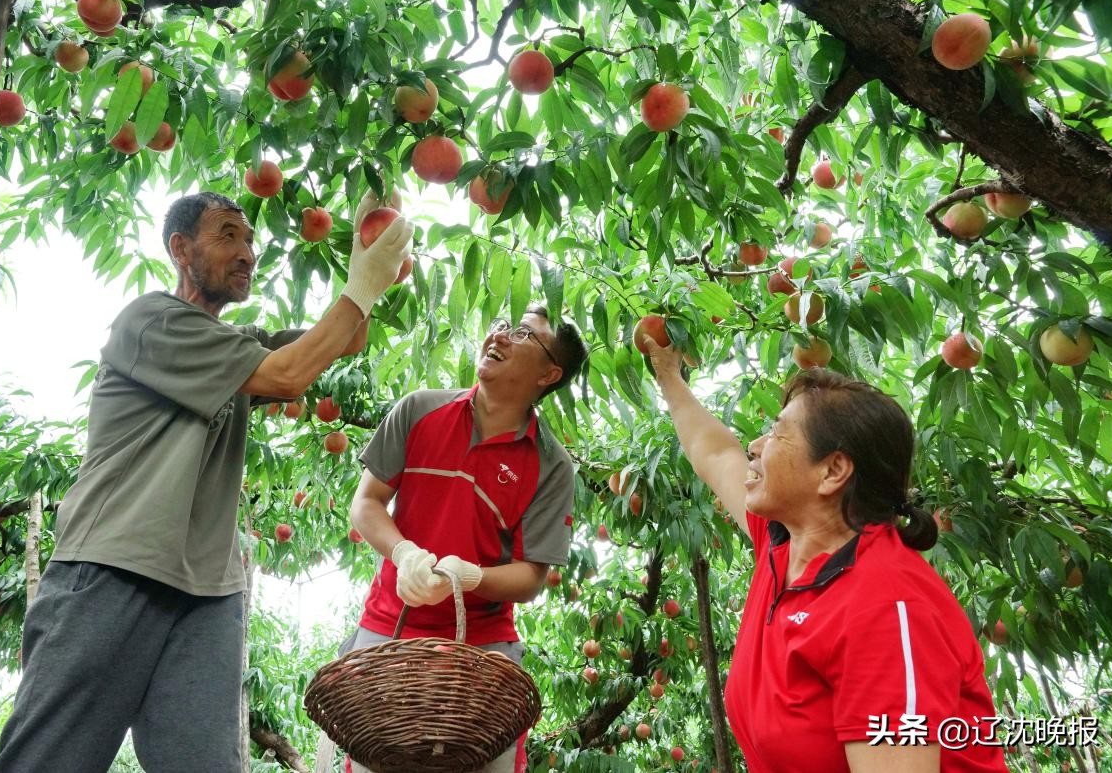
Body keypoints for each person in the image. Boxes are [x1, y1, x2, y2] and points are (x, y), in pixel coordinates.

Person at [0, 191, 413, 773]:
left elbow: (347, 339)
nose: (247, 253)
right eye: (227, 236)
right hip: (113, 567)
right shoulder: (150, 320)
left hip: (209, 592)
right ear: (180, 249)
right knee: (49, 760)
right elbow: (289, 377)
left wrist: (362, 255)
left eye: (250, 241)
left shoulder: (239, 345)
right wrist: (360, 287)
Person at [645, 337, 1008, 773]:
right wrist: (668, 375)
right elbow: (715, 450)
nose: (755, 445)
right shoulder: (783, 544)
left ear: (833, 471)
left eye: (778, 432)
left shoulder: (886, 608)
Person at [341, 307, 588, 773]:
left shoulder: (551, 465)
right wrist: (403, 551)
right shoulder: (418, 410)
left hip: (482, 651)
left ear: (549, 373)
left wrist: (470, 577)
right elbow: (366, 503)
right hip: (389, 631)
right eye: (501, 324)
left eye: (522, 334)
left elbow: (533, 577)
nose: (500, 335)